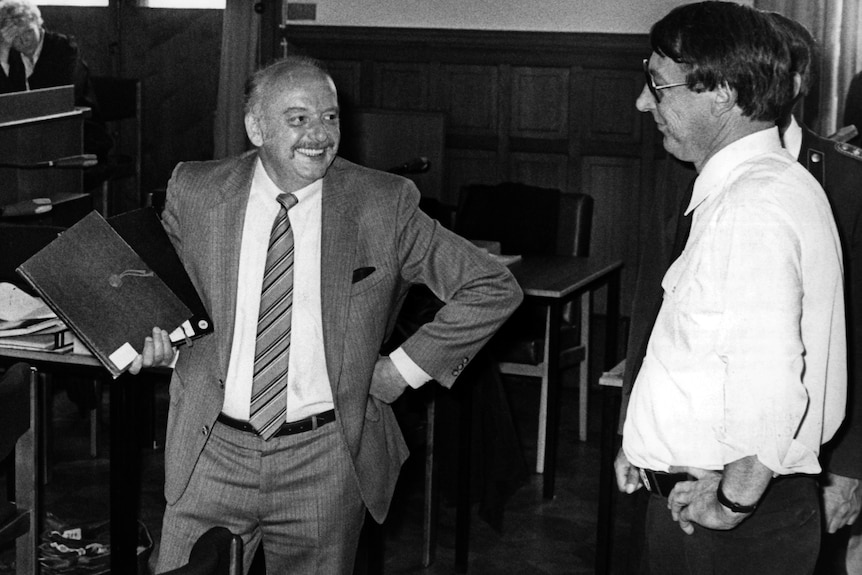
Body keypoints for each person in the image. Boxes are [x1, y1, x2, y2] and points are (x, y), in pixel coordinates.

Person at [130, 55, 523, 574]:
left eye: (330, 117)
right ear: (256, 127)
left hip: (325, 458)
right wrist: (147, 339)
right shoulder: (196, 191)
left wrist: (402, 371)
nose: (319, 135)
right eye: (298, 119)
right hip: (210, 451)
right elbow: (158, 290)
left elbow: (492, 285)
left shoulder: (383, 204)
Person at [615, 3, 847, 574]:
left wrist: (730, 503)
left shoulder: (752, 206)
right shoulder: (755, 186)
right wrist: (647, 446)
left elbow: (769, 382)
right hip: (705, 500)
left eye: (658, 85)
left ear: (719, 91)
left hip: (730, 525)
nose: (645, 102)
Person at [770, 13, 862, 575]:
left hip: (815, 454)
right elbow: (655, 310)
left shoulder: (847, 182)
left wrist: (852, 466)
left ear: (794, 82)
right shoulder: (688, 167)